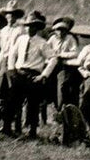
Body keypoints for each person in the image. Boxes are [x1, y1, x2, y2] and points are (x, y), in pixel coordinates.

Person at [5, 11, 57, 139]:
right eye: (27, 26)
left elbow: (53, 58)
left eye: (32, 26)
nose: (29, 28)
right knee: (13, 101)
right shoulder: (20, 39)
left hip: (33, 75)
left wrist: (44, 75)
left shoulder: (42, 43)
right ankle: (9, 128)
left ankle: (32, 131)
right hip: (19, 73)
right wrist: (11, 69)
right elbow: (12, 54)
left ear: (37, 28)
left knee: (33, 104)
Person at [0, 5, 26, 134]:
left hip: (15, 62)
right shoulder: (3, 31)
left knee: (14, 93)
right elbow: (2, 50)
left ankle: (16, 126)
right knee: (0, 91)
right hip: (4, 61)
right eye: (8, 14)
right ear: (6, 16)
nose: (10, 17)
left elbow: (19, 49)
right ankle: (3, 123)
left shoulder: (20, 31)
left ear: (16, 17)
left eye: (13, 15)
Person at [46, 17, 81, 116]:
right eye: (58, 30)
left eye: (63, 30)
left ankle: (60, 109)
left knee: (62, 87)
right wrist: (52, 55)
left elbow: (75, 52)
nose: (60, 32)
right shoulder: (52, 39)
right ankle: (52, 107)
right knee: (49, 85)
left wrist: (61, 55)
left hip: (64, 66)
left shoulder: (70, 38)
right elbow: (46, 50)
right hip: (53, 65)